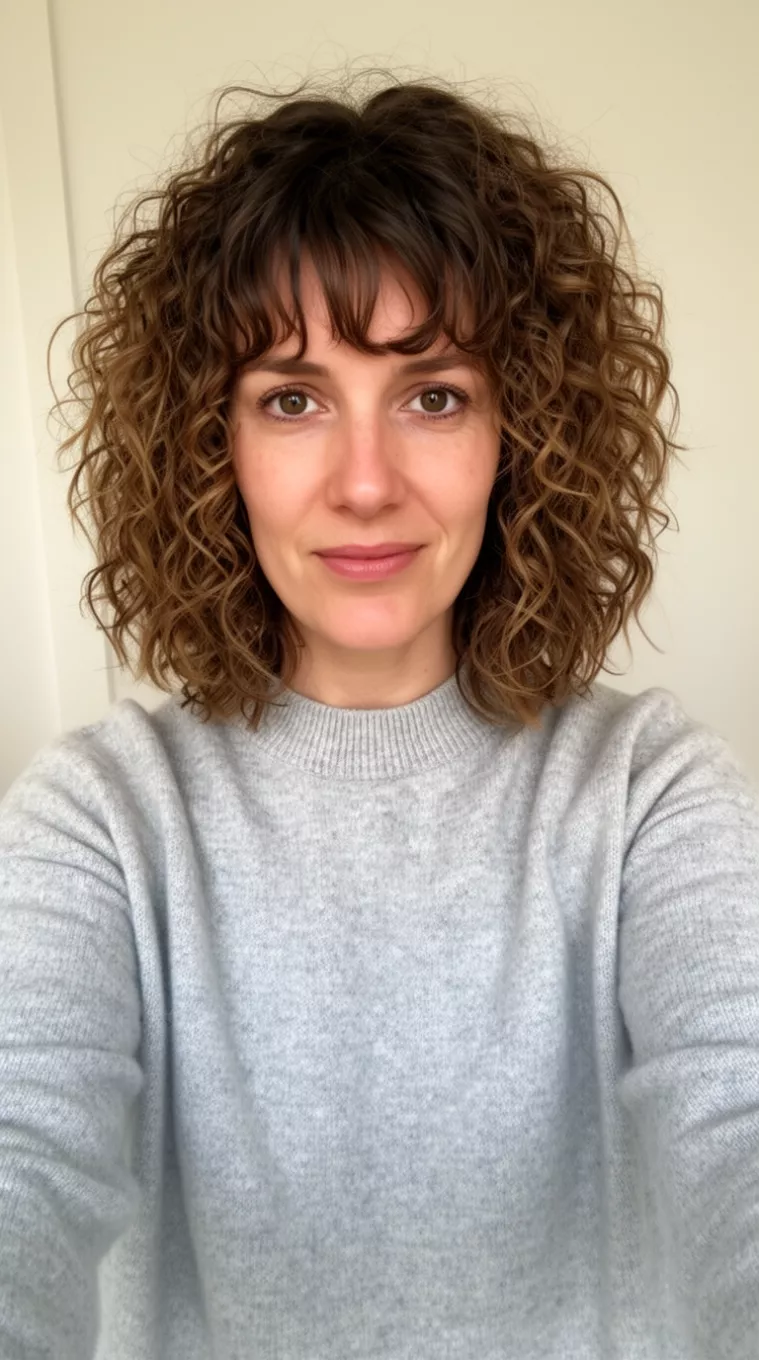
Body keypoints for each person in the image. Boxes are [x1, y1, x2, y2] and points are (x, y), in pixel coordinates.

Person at [1, 69, 759, 1360]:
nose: (364, 483)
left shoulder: (647, 797)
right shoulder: (102, 822)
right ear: (209, 446)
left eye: (433, 393)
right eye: (291, 399)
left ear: (524, 434)